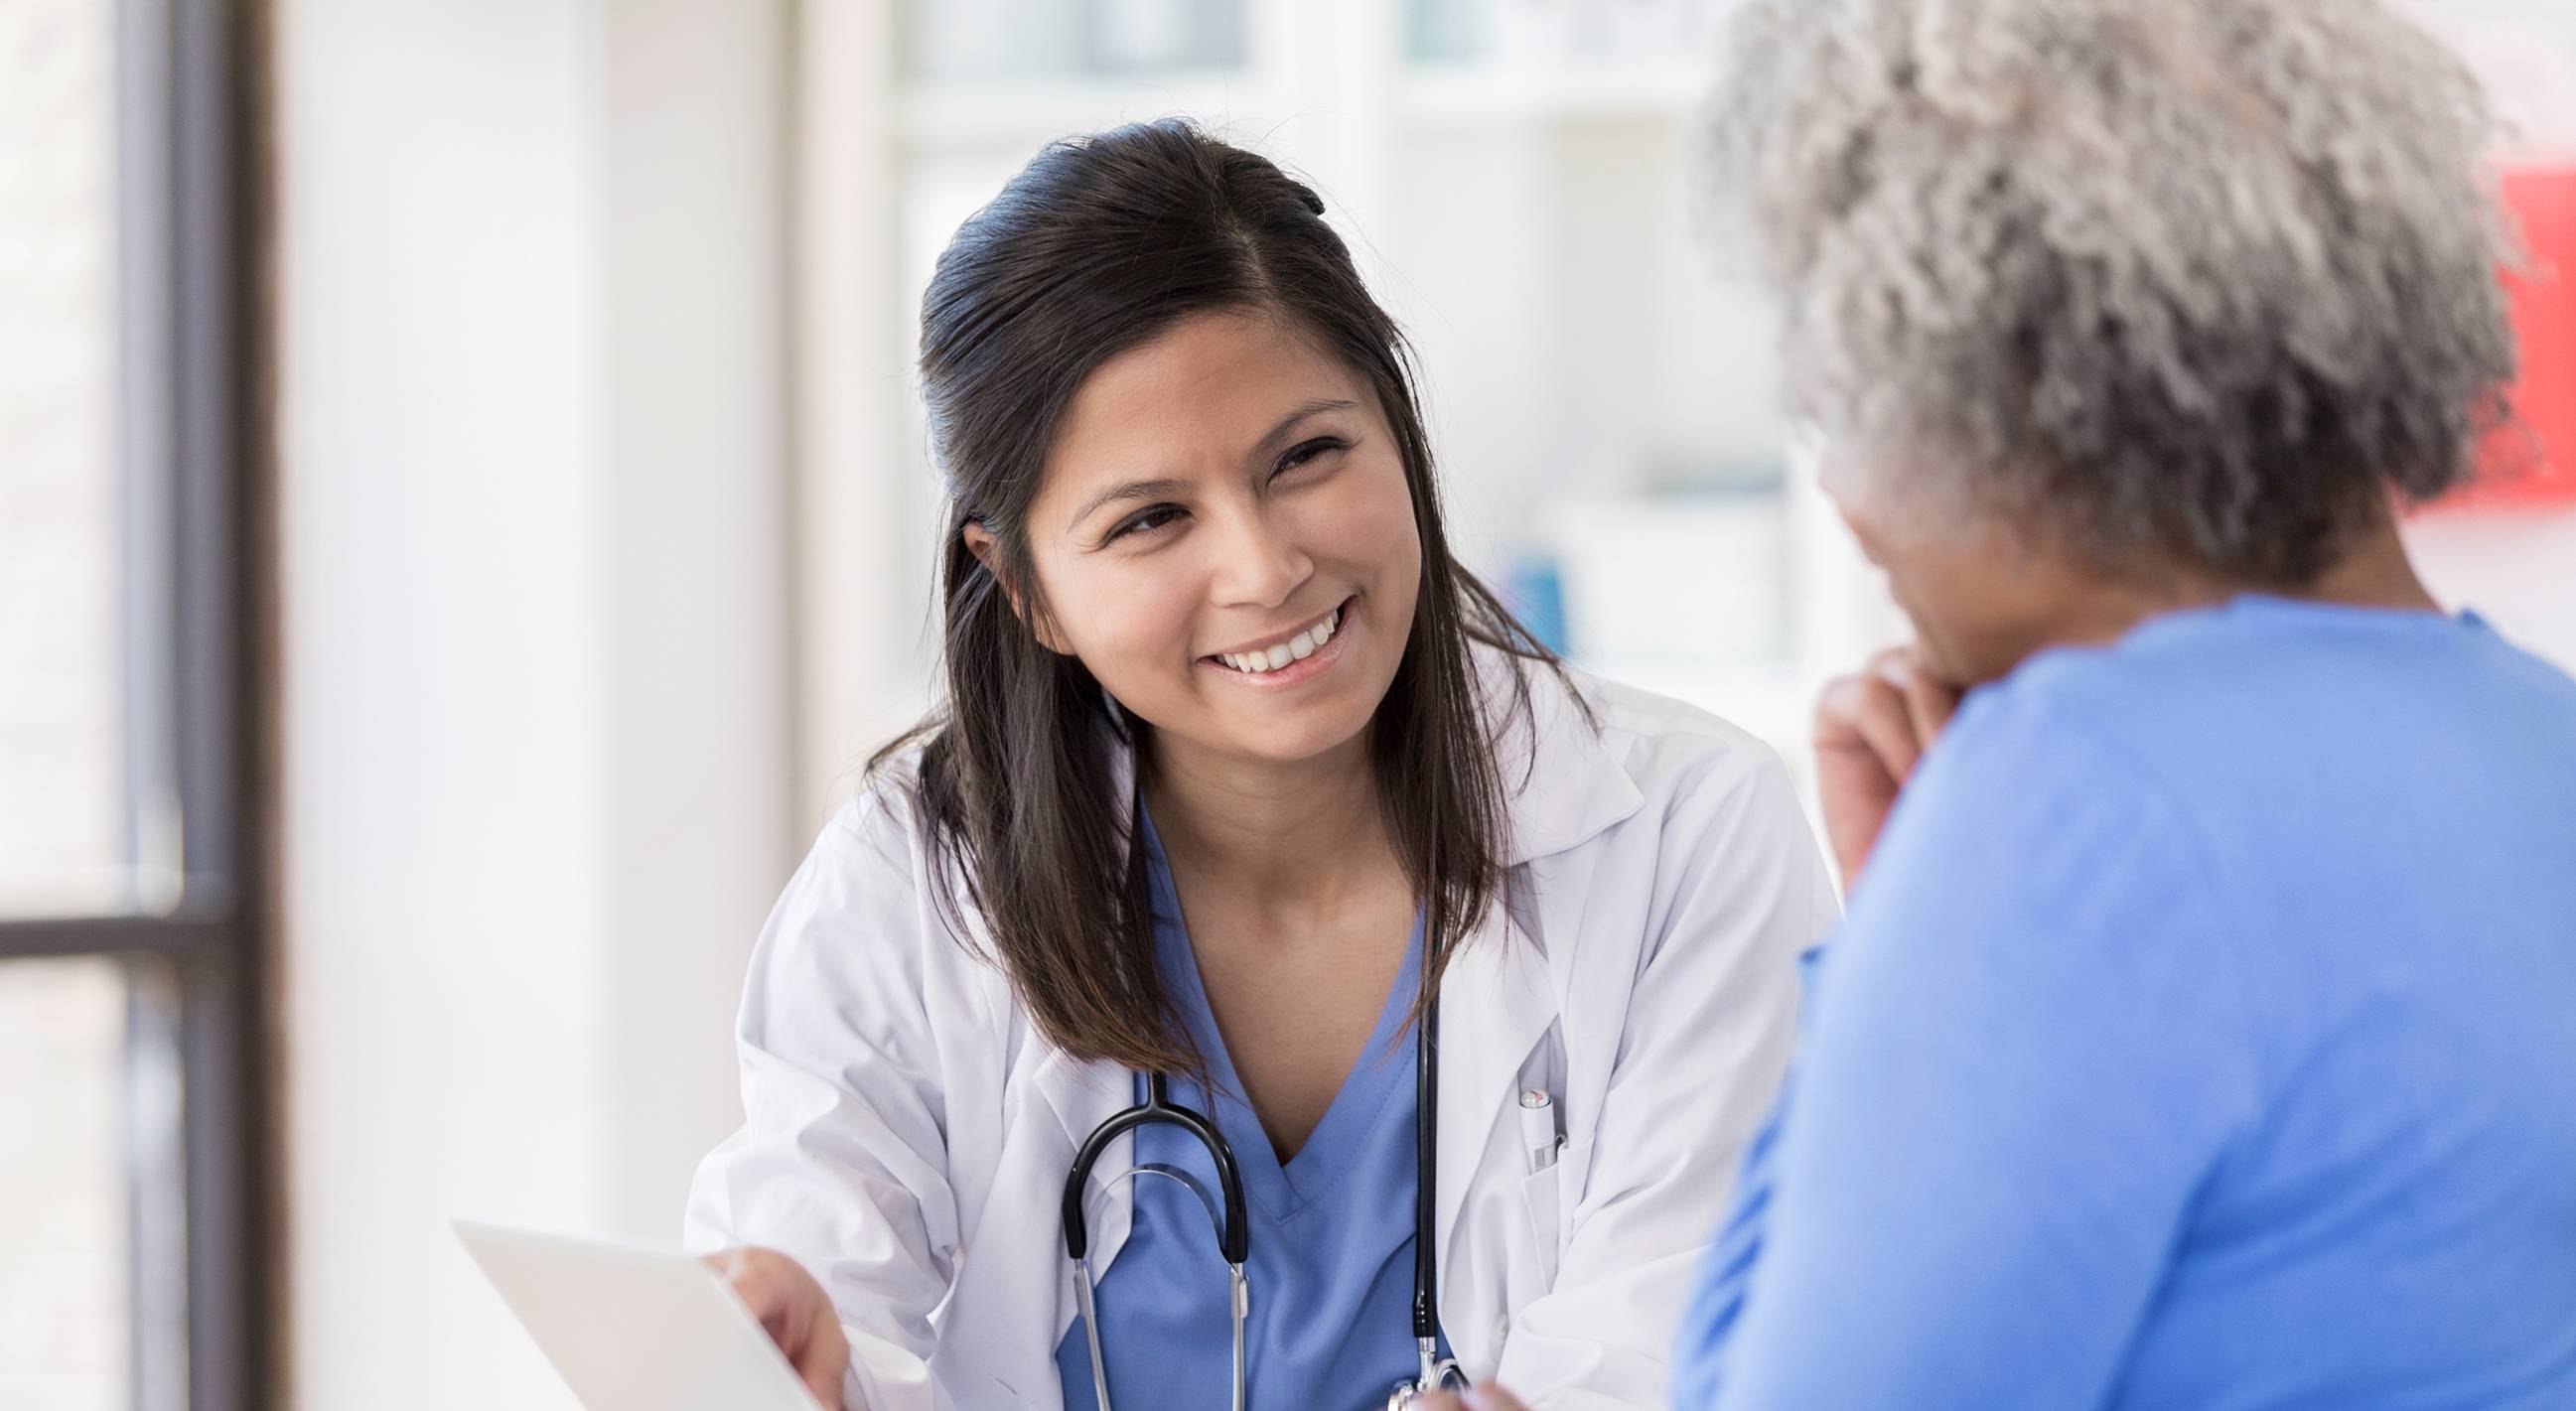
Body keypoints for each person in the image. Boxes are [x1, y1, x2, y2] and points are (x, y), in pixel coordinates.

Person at [683, 120, 1835, 1411]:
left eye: (1306, 456)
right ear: (1026, 589)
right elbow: (810, 1281)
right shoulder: (912, 885)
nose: (1264, 567)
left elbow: (1686, 1334)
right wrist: (780, 1367)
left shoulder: (1687, 835)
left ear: (1398, 432)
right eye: (1150, 519)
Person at [1589, 0, 2575, 1406]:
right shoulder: (2538, 735)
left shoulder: (2075, 803)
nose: (1846, 501)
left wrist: (1887, 959)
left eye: (1836, 404)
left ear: (1988, 394)